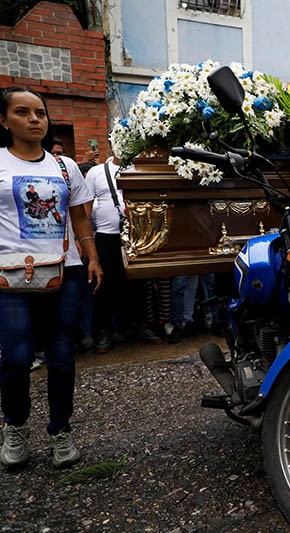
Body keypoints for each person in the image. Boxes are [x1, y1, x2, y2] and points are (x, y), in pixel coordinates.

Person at [0, 87, 102, 469]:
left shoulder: (65, 167)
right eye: (23, 112)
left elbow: (79, 218)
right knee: (16, 357)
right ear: (4, 120)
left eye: (40, 113)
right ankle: (15, 426)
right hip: (9, 276)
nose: (33, 119)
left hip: (65, 270)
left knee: (61, 356)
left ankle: (61, 430)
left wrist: (92, 258)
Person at [85, 154, 162, 352]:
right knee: (104, 284)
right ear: (112, 144)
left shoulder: (141, 170)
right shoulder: (96, 172)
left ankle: (137, 326)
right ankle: (103, 331)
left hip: (138, 235)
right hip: (106, 236)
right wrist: (82, 240)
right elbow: (84, 209)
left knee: (139, 282)